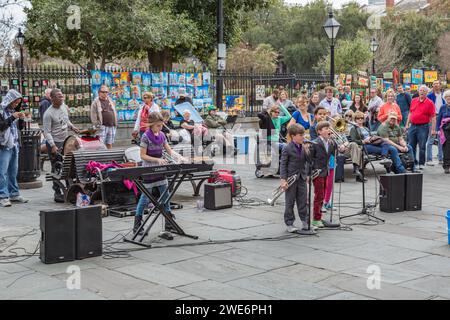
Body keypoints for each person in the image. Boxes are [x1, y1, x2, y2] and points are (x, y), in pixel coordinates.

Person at [133, 112, 187, 238]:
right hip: (149, 169)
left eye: (161, 125)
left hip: (160, 168)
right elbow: (142, 155)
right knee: (145, 198)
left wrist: (180, 157)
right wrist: (157, 160)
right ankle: (137, 224)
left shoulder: (162, 135)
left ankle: (168, 223)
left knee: (166, 195)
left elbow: (169, 150)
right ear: (151, 125)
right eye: (158, 125)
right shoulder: (145, 136)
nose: (160, 127)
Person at [43, 88, 80, 202]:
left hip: (65, 141)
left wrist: (72, 126)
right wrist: (53, 145)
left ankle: (70, 188)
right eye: (59, 97)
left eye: (62, 96)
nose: (62, 98)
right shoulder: (48, 114)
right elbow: (47, 132)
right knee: (56, 167)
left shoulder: (63, 106)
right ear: (52, 98)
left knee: (68, 165)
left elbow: (65, 119)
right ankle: (57, 193)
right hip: (54, 142)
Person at [309, 121, 345, 228]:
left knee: (322, 194)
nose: (328, 130)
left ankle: (319, 217)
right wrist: (309, 173)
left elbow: (337, 151)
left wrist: (340, 146)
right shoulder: (315, 143)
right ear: (319, 132)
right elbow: (310, 159)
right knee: (319, 195)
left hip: (326, 171)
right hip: (318, 172)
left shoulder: (330, 142)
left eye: (329, 128)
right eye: (325, 129)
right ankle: (316, 219)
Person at [280, 124, 311, 233]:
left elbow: (308, 161)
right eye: (300, 135)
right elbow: (283, 164)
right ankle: (289, 223)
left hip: (301, 177)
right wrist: (283, 179)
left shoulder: (303, 147)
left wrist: (307, 151)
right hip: (291, 178)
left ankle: (305, 221)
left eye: (303, 134)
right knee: (290, 201)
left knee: (303, 201)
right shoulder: (287, 148)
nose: (303, 137)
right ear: (293, 136)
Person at [0, 89, 28, 207]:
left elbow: (19, 128)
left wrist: (21, 119)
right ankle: (3, 196)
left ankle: (14, 193)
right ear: (9, 100)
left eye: (18, 103)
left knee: (13, 171)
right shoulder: (1, 111)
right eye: (15, 102)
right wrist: (12, 117)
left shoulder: (13, 111)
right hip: (4, 145)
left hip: (14, 144)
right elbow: (1, 126)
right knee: (3, 172)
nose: (16, 105)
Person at [406, 85, 437, 170]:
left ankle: (421, 163)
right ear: (418, 91)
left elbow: (433, 117)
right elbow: (410, 113)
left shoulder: (430, 103)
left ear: (427, 93)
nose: (422, 92)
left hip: (423, 127)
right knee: (411, 145)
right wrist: (407, 124)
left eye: (424, 91)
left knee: (422, 146)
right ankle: (413, 162)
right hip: (413, 126)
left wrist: (433, 129)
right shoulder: (413, 100)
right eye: (420, 90)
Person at [426, 80, 446, 165]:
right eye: (434, 84)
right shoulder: (429, 96)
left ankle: (441, 158)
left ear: (440, 85)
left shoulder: (444, 95)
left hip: (443, 118)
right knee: (431, 138)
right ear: (432, 86)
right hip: (433, 118)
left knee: (441, 139)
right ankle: (429, 159)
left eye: (437, 84)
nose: (436, 85)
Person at [437, 90, 450, 173]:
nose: (449, 99)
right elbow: (439, 119)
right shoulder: (443, 107)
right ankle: (446, 166)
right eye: (447, 98)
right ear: (445, 98)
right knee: (446, 148)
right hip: (445, 130)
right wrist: (438, 129)